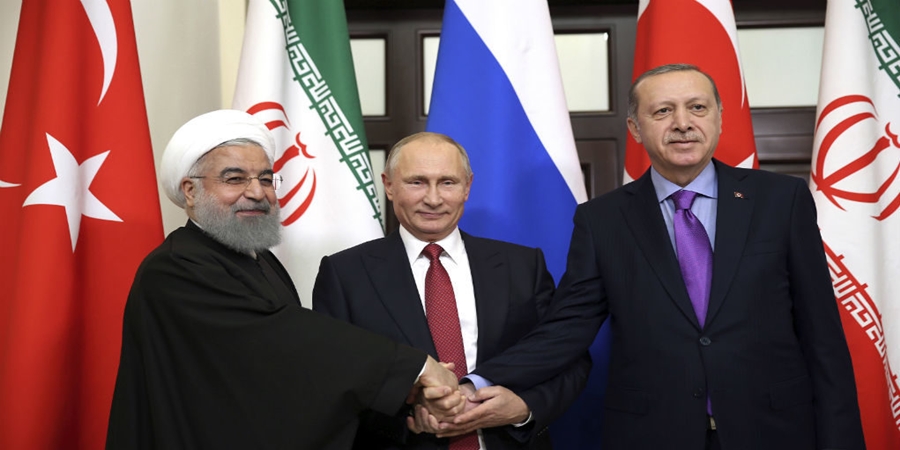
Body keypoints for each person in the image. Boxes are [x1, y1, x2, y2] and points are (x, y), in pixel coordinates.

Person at [464, 64, 866, 450]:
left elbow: (822, 336)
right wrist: (478, 382)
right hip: (653, 434)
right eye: (662, 111)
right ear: (635, 128)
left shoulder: (781, 200)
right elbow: (567, 328)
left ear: (720, 118)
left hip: (774, 431)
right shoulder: (602, 220)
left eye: (697, 107)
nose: (683, 123)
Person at [106, 110, 465, 450]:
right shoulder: (175, 268)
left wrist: (403, 407)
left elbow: (290, 377)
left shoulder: (259, 260)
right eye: (235, 179)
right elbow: (282, 341)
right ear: (189, 190)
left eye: (266, 179)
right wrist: (413, 368)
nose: (257, 192)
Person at [312, 132, 590, 450]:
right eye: (417, 182)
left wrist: (524, 408)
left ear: (467, 187)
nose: (433, 199)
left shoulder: (523, 265)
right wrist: (408, 415)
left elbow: (567, 357)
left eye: (447, 182)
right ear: (389, 185)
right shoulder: (345, 274)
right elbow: (334, 379)